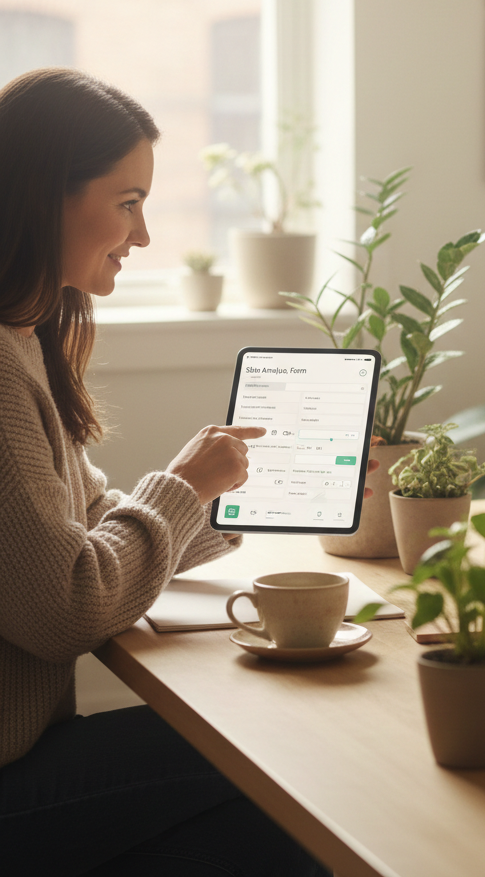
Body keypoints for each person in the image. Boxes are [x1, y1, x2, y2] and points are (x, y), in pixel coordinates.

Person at [0, 68, 374, 875]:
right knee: (278, 769)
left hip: (26, 757)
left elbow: (95, 522)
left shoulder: (26, 338)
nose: (141, 238)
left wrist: (234, 490)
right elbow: (69, 604)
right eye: (128, 203)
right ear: (44, 196)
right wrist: (187, 486)